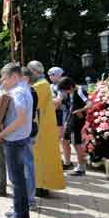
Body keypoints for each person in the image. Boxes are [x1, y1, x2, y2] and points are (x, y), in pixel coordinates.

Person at [0, 63, 32, 218]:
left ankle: (20, 215)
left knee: (17, 180)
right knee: (19, 179)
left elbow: (21, 118)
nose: (2, 82)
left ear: (14, 77)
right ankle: (20, 211)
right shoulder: (24, 89)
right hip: (20, 138)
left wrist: (1, 134)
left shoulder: (17, 93)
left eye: (4, 79)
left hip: (14, 140)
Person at [27, 61, 66, 196]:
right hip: (43, 124)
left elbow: (33, 104)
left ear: (35, 72)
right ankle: (40, 185)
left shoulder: (41, 85)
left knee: (40, 157)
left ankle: (40, 185)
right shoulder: (41, 84)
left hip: (42, 126)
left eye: (29, 71)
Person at [58, 76, 92, 176]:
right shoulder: (72, 91)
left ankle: (81, 168)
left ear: (70, 86)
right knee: (64, 141)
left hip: (77, 122)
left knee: (76, 144)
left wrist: (80, 111)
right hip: (70, 120)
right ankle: (68, 163)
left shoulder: (80, 90)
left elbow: (90, 104)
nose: (66, 93)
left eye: (65, 90)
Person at [21, 67, 40, 210]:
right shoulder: (29, 91)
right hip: (27, 130)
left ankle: (29, 200)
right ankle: (28, 199)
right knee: (26, 166)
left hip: (26, 132)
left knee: (27, 167)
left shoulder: (29, 92)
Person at [48, 67, 71, 169]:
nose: (50, 76)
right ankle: (61, 161)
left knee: (61, 139)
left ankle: (66, 162)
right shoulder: (51, 86)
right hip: (54, 114)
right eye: (49, 74)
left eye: (52, 74)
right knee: (57, 139)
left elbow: (58, 102)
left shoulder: (62, 85)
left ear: (59, 75)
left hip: (61, 114)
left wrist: (47, 102)